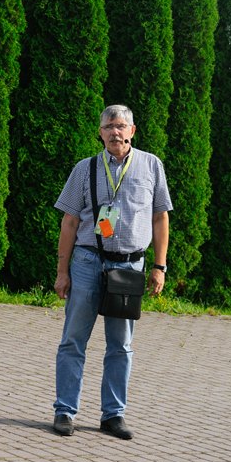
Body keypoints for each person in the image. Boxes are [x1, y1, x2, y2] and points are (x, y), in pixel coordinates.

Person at [51, 104, 172, 440]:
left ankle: (113, 415)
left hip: (130, 266)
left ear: (132, 131)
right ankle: (64, 410)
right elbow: (70, 221)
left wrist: (159, 267)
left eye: (121, 126)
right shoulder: (85, 168)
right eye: (109, 127)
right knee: (74, 339)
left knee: (121, 344)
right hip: (88, 262)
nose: (115, 132)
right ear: (100, 132)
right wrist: (63, 272)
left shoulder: (151, 166)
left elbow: (161, 217)